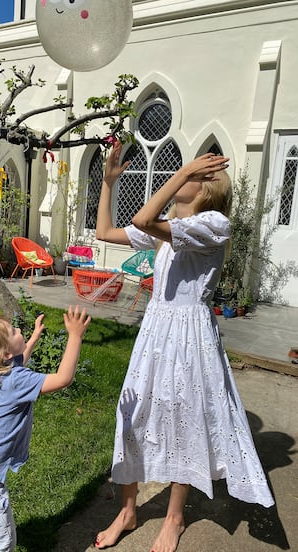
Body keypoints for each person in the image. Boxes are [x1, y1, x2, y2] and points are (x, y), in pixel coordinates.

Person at [94, 141, 274, 552]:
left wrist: (180, 173)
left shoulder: (213, 225)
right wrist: (107, 184)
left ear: (208, 188)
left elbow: (144, 217)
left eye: (195, 175)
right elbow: (105, 231)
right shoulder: (169, 226)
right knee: (132, 414)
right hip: (156, 330)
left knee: (183, 421)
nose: (185, 176)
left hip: (190, 337)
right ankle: (127, 509)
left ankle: (174, 518)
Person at [0, 305, 91, 552]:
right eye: (13, 331)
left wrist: (34, 338)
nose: (18, 329)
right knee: (2, 543)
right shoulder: (15, 381)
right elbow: (63, 379)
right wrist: (75, 336)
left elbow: (20, 362)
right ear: (5, 354)